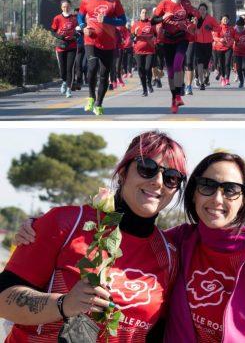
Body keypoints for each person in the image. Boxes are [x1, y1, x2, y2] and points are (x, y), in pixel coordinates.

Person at [0, 130, 186, 341]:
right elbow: (3, 297)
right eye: (147, 168)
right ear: (123, 172)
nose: (158, 181)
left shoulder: (170, 254)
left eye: (171, 177)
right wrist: (63, 304)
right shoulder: (66, 222)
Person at [163, 152, 245, 341]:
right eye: (207, 185)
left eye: (230, 190)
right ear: (194, 193)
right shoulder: (178, 241)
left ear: (243, 200)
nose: (217, 199)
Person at [78, 0, 127, 116]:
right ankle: (91, 97)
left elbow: (123, 21)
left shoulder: (114, 1)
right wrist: (83, 27)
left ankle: (99, 103)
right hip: (91, 40)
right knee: (92, 67)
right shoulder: (86, 1)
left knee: (104, 75)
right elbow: (80, 17)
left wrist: (107, 20)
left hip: (109, 43)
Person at [151, 0, 199, 113]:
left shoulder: (185, 4)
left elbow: (194, 17)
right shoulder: (164, 4)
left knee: (178, 65)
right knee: (171, 72)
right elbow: (153, 20)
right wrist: (163, 18)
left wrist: (194, 20)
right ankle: (174, 98)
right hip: (167, 40)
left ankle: (178, 95)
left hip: (182, 38)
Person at [50, 0, 78, 98]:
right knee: (62, 69)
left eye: (67, 6)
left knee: (70, 68)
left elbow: (79, 31)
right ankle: (64, 82)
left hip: (72, 46)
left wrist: (75, 36)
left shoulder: (74, 18)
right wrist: (60, 36)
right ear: (61, 7)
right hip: (61, 46)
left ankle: (69, 89)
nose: (66, 8)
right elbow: (52, 31)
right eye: (64, 7)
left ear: (70, 6)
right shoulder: (57, 18)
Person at [192, 3, 219, 91]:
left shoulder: (210, 19)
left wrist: (211, 28)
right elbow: (191, 29)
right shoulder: (195, 19)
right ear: (198, 10)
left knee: (206, 66)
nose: (202, 11)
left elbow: (218, 28)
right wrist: (195, 26)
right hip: (198, 43)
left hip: (208, 44)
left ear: (206, 10)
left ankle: (206, 76)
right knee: (200, 63)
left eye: (204, 9)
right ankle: (202, 83)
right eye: (200, 9)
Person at [131, 8, 157, 96]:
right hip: (138, 51)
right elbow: (132, 37)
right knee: (140, 70)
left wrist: (154, 38)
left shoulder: (151, 23)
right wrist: (135, 33)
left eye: (146, 13)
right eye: (142, 12)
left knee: (148, 68)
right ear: (140, 14)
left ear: (148, 14)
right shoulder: (136, 24)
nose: (144, 14)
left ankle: (149, 82)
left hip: (150, 50)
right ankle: (144, 89)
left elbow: (156, 35)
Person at [212, 15, 234, 87]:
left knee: (227, 63)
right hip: (220, 48)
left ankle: (227, 79)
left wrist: (231, 42)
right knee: (221, 64)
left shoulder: (231, 28)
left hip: (228, 48)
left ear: (229, 20)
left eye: (227, 19)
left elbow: (234, 37)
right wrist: (220, 39)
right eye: (224, 19)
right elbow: (214, 37)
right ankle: (223, 78)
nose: (225, 20)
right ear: (221, 20)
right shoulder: (218, 27)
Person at [232, 17, 245, 88]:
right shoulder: (234, 31)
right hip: (237, 51)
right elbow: (231, 38)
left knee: (244, 66)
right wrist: (232, 42)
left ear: (243, 26)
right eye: (238, 27)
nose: (240, 28)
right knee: (238, 68)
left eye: (241, 27)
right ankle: (241, 81)